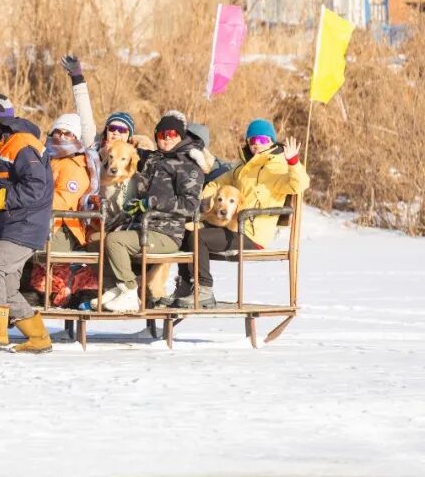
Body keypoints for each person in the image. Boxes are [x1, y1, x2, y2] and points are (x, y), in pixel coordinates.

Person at [164, 118, 309, 308]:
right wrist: (204, 199)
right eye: (252, 140)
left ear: (272, 141)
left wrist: (293, 161)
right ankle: (185, 287)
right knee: (185, 234)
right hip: (232, 226)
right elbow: (217, 184)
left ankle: (204, 290)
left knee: (199, 238)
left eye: (263, 140)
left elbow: (299, 184)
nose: (257, 144)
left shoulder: (278, 167)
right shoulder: (242, 168)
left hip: (251, 234)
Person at [0, 94, 55, 352]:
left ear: (1, 123)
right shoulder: (4, 145)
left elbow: (36, 187)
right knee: (6, 288)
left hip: (25, 227)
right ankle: (39, 338)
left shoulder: (23, 145)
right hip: (10, 227)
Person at [98, 113, 203, 312]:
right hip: (142, 226)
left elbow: (190, 205)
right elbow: (123, 153)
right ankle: (114, 289)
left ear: (181, 136)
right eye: (162, 134)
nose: (167, 138)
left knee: (114, 241)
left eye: (172, 134)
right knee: (100, 238)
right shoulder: (154, 159)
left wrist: (152, 202)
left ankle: (128, 291)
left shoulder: (188, 166)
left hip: (167, 233)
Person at [60, 54, 154, 153]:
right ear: (106, 132)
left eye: (122, 130)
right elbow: (85, 118)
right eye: (112, 128)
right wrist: (77, 78)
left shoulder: (136, 158)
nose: (116, 133)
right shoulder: (95, 149)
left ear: (129, 136)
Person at [46, 113, 100, 252]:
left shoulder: (76, 166)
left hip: (62, 227)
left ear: (76, 138)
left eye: (67, 134)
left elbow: (63, 200)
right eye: (58, 132)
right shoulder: (47, 159)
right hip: (41, 221)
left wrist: (27, 203)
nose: (62, 137)